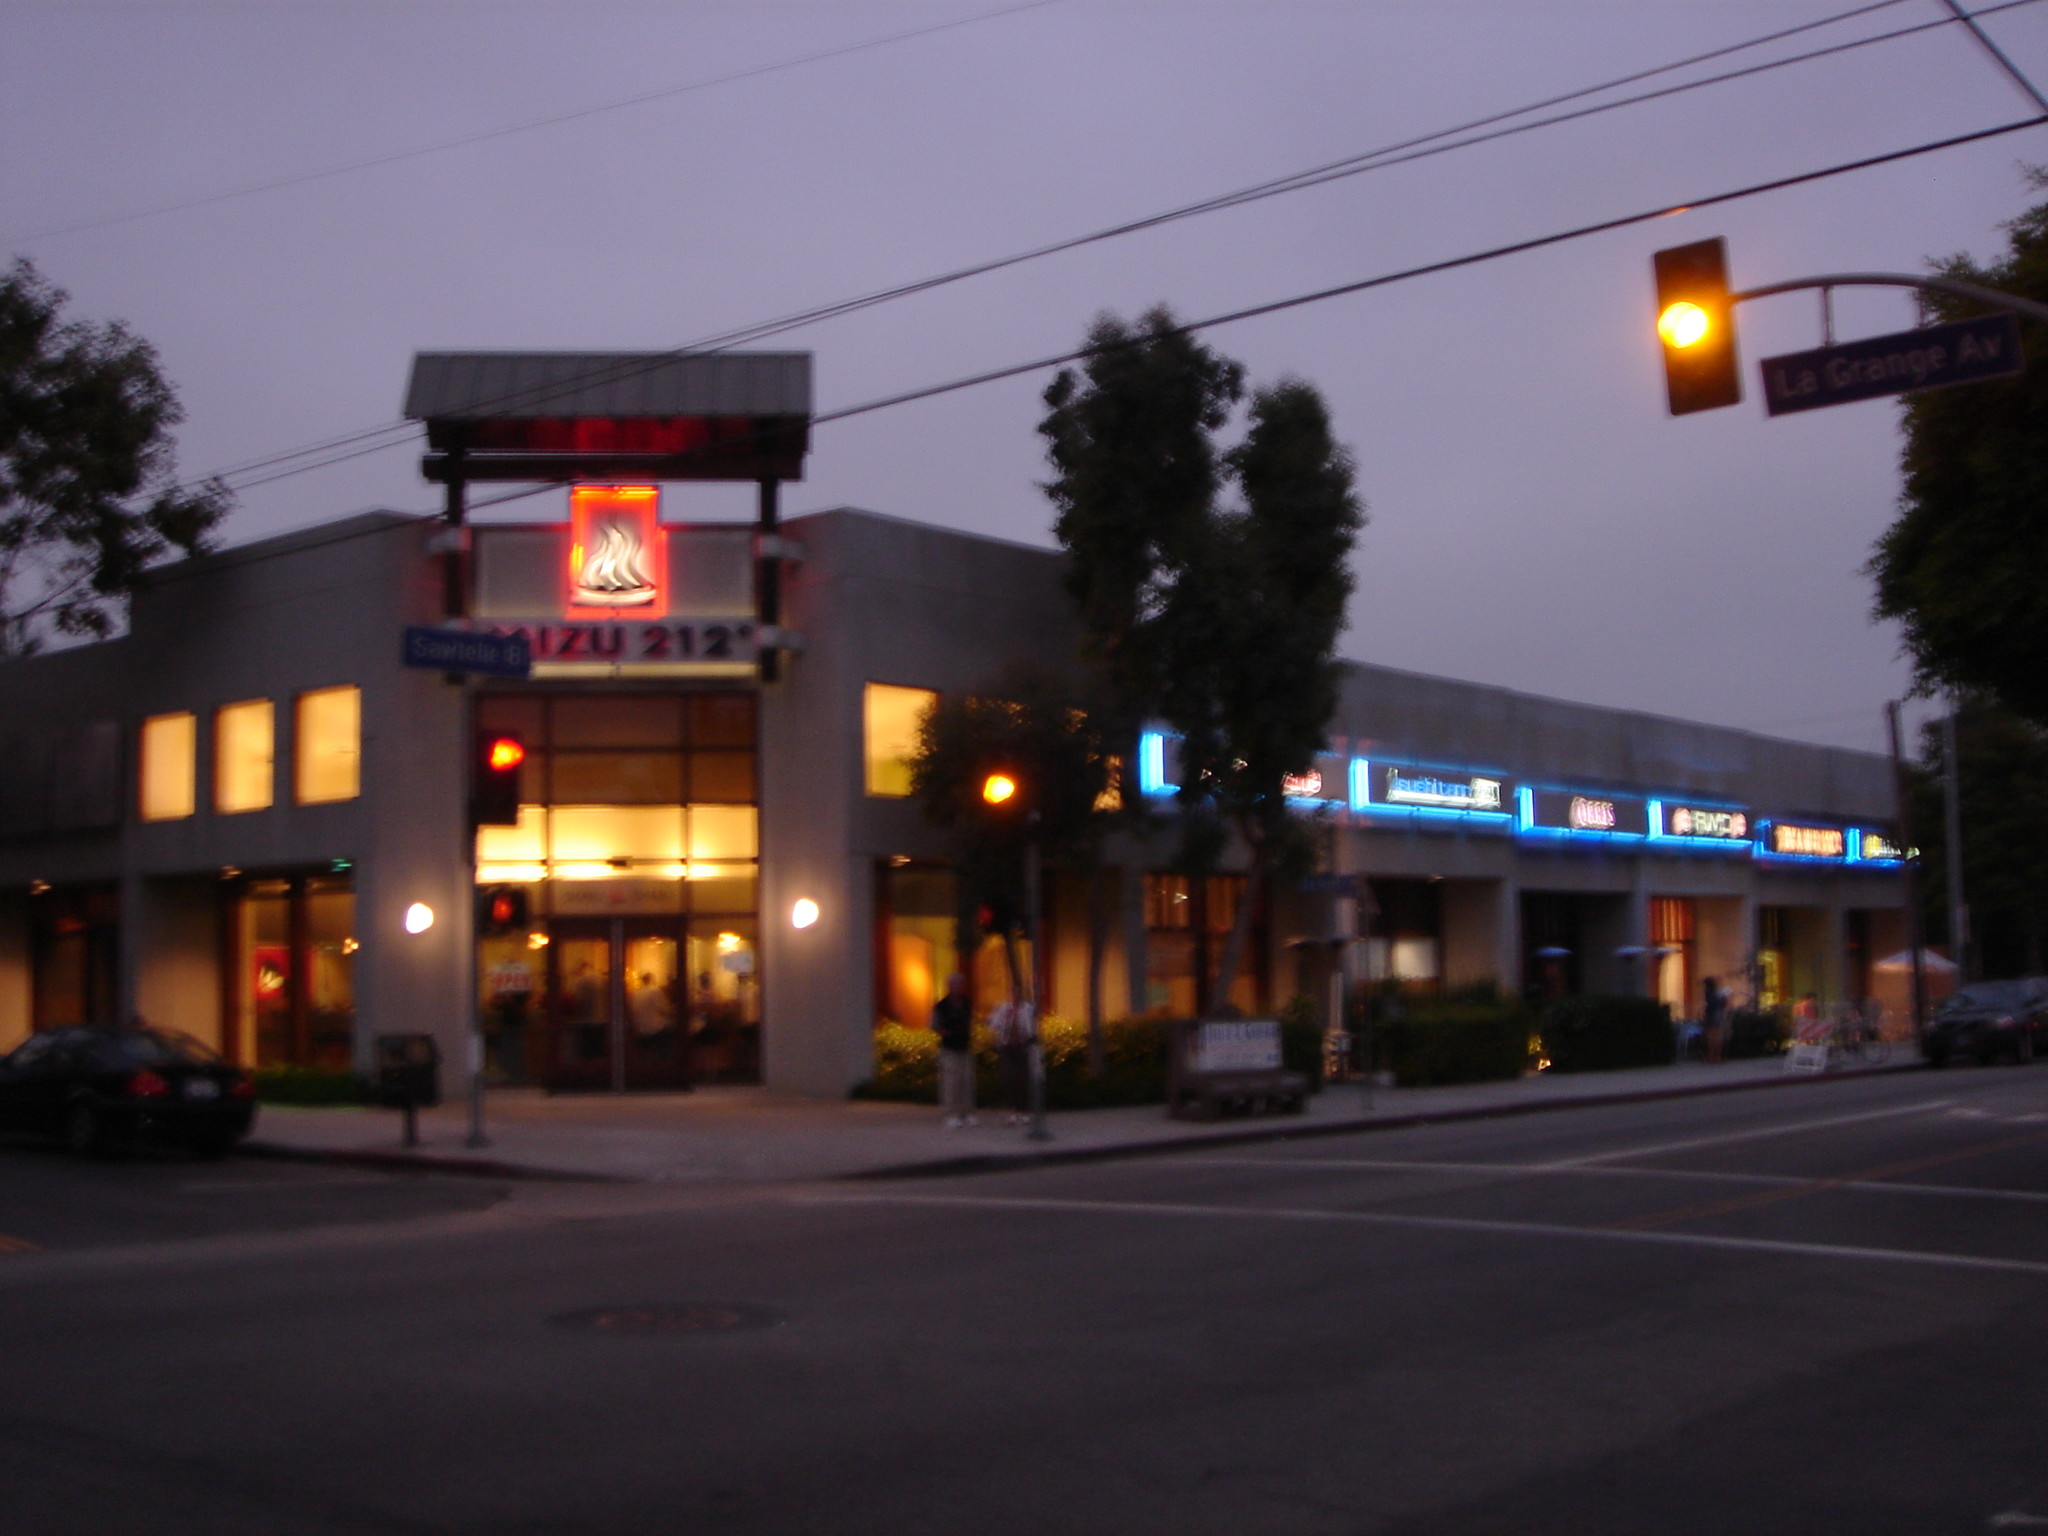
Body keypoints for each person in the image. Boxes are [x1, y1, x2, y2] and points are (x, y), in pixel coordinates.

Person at [930, 972, 976, 1129]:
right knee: (950, 1083)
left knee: (966, 1081)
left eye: (960, 984)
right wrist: (946, 1033)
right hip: (949, 1049)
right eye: (955, 985)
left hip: (965, 1047)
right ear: (949, 986)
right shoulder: (941, 1006)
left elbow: (971, 1021)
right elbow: (934, 1024)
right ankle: (950, 1114)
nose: (958, 987)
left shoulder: (966, 1002)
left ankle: (966, 1113)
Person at [989, 992, 1037, 1126]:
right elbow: (993, 1025)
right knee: (1008, 1079)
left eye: (1018, 994)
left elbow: (1032, 1029)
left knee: (1022, 1080)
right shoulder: (1004, 1009)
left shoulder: (1027, 1010)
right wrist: (1004, 1020)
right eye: (1014, 993)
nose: (1016, 996)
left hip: (1022, 1048)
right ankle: (1012, 1112)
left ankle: (1023, 1112)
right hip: (1007, 1048)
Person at [1701, 975, 1727, 1064]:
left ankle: (1712, 1056)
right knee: (1718, 1036)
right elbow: (1722, 1002)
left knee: (1711, 1037)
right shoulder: (1717, 992)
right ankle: (1718, 1057)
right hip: (1718, 1013)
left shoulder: (1708, 993)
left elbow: (1710, 1004)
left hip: (1712, 1014)